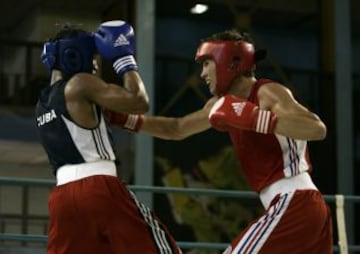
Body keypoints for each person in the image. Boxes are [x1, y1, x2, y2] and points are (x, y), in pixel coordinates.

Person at [106, 29, 333, 253]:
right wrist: (124, 119)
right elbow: (177, 128)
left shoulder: (268, 93)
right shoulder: (220, 104)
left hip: (296, 202)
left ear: (229, 62)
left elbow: (316, 128)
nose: (202, 74)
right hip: (293, 209)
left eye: (207, 63)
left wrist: (255, 118)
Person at [35, 20, 182, 254]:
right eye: (93, 56)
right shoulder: (80, 84)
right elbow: (139, 101)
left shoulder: (42, 104)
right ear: (76, 55)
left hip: (62, 200)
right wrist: (124, 58)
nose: (95, 64)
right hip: (99, 189)